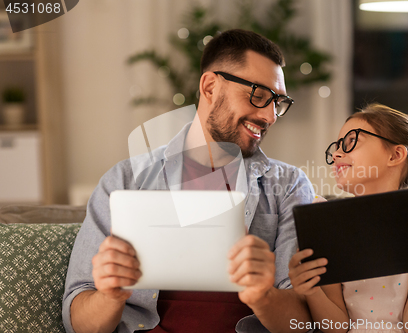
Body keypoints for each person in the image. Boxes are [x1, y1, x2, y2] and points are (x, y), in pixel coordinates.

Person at [63, 29, 315, 333]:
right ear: (210, 87)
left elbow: (304, 324)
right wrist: (110, 296)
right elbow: (78, 322)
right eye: (259, 96)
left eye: (277, 102)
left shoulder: (288, 186)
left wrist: (263, 296)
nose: (270, 115)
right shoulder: (125, 180)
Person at [288, 103, 408, 333]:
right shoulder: (326, 222)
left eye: (351, 142)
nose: (337, 154)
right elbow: (335, 327)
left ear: (395, 155)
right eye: (336, 147)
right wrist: (311, 290)